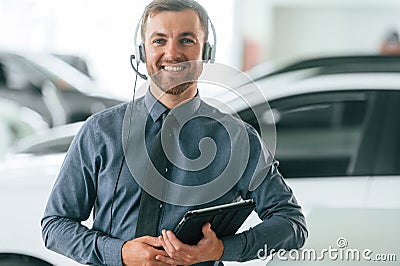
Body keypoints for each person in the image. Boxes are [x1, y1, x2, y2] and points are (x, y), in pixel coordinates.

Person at [41, 0, 307, 265]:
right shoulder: (100, 132)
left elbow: (292, 223)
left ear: (207, 52)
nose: (172, 53)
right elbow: (55, 225)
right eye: (159, 41)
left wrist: (223, 249)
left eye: (187, 40)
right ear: (142, 51)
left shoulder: (238, 139)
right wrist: (119, 253)